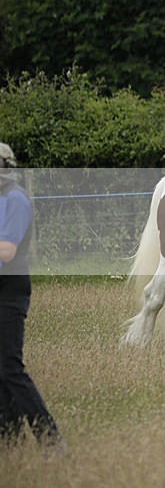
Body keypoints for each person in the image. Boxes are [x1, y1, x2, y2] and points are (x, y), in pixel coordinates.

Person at [0, 142, 65, 450]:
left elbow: (7, 251)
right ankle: (10, 439)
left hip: (9, 291)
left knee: (10, 368)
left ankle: (50, 439)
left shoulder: (15, 200)